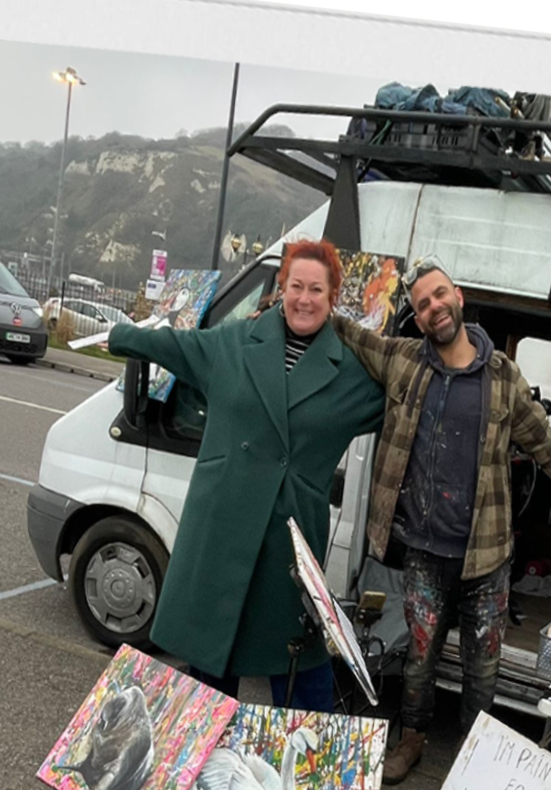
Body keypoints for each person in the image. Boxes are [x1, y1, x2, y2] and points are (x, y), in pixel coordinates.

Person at [328, 260, 551, 785]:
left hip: (487, 557)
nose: (433, 308)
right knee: (417, 657)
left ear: (457, 298)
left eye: (439, 296)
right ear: (416, 318)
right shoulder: (401, 360)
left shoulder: (503, 376)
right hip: (422, 550)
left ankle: (476, 762)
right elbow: (350, 333)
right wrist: (311, 302)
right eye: (422, 305)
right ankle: (411, 739)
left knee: (482, 670)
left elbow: (543, 442)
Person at [105, 239, 383, 699]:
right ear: (282, 287)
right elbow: (176, 345)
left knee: (302, 685)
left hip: (288, 548)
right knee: (208, 680)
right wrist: (118, 336)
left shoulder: (352, 372)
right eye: (296, 286)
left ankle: (295, 769)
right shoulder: (235, 342)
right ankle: (203, 764)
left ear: (333, 297)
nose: (305, 299)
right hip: (221, 531)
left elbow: (409, 392)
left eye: (317, 289)